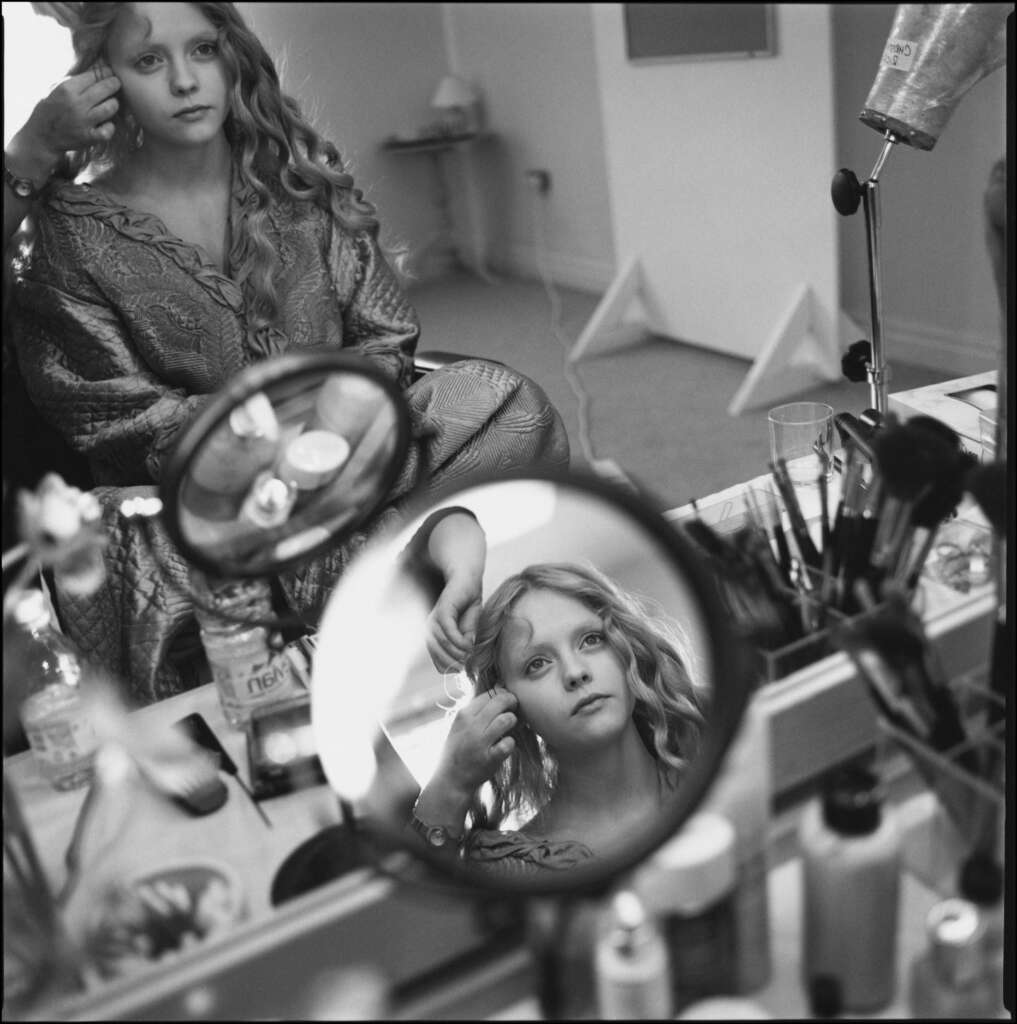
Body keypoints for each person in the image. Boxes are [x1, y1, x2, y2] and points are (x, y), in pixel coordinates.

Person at [5, 2, 569, 704]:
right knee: (123, 539)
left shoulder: (298, 180)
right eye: (148, 61)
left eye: (203, 49)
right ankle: (391, 565)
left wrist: (331, 431)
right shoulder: (71, 231)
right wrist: (259, 444)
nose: (185, 80)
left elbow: (385, 335)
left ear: (233, 54)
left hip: (354, 453)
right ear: (102, 81)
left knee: (501, 401)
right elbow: (108, 413)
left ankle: (347, 578)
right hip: (203, 501)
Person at [411, 562, 707, 876]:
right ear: (510, 708)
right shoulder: (514, 868)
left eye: (591, 640)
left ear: (628, 651)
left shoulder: (717, 755)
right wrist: (448, 784)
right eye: (537, 664)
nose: (575, 673)